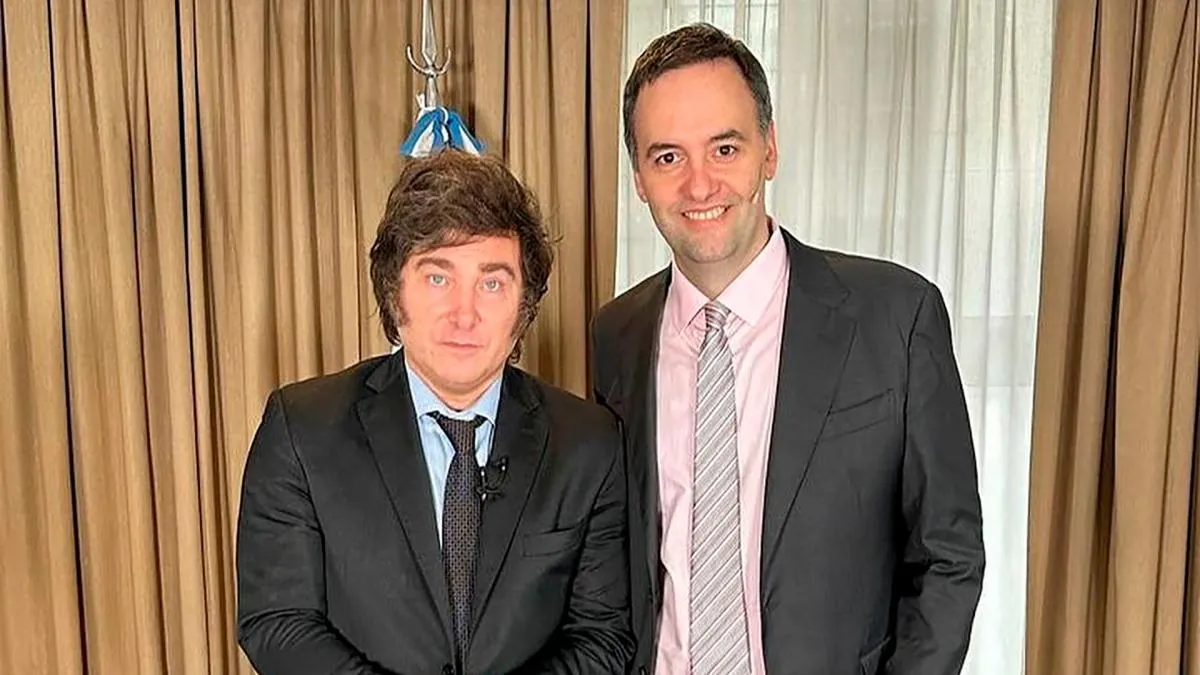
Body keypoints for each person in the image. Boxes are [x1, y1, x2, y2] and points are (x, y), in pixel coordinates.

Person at [591, 23, 985, 675]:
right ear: (638, 177)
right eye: (668, 157)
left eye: (724, 148)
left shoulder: (894, 315)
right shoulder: (616, 336)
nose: (699, 185)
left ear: (769, 150)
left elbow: (948, 556)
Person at [238, 149, 634, 675]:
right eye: (438, 278)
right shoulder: (301, 428)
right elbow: (277, 622)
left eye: (491, 283)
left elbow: (602, 637)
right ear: (394, 290)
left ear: (524, 307)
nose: (464, 315)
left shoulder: (589, 443)